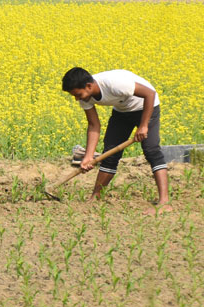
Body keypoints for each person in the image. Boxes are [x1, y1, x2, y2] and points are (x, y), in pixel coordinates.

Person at [61, 67, 169, 211]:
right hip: (122, 111)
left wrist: (143, 126)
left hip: (146, 106)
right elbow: (94, 125)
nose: (77, 98)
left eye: (78, 94)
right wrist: (87, 157)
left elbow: (150, 93)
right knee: (110, 153)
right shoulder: (84, 96)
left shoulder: (116, 83)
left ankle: (164, 202)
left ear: (88, 86)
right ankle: (95, 198)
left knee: (151, 149)